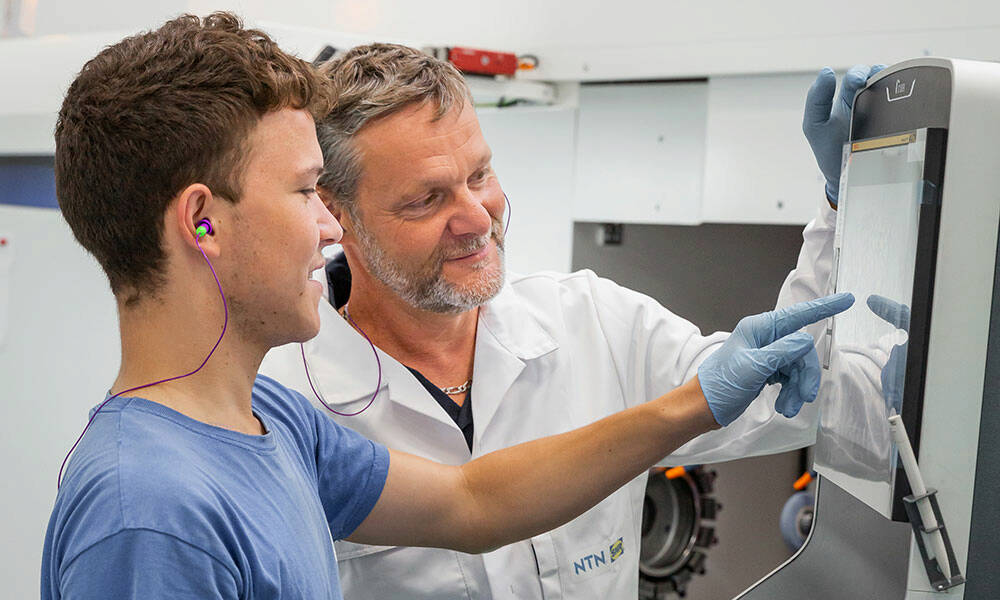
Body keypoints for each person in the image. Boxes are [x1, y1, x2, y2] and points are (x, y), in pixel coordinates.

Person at [42, 13, 851, 600]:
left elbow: (475, 502)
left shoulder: (274, 426)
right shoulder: (146, 513)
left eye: (479, 176)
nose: (325, 227)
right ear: (203, 223)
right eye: (302, 192)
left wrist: (695, 399)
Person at [260, 43, 883, 599]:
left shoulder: (594, 322)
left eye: (480, 175)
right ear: (333, 213)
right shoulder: (278, 398)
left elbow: (785, 398)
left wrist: (851, 203)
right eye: (426, 199)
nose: (477, 218)